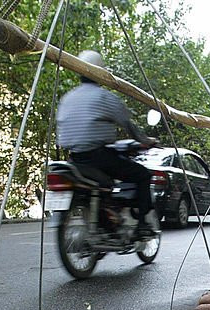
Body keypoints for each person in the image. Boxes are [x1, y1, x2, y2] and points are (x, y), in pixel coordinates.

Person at [56, 50, 158, 236]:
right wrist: (146, 140)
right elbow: (128, 125)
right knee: (142, 174)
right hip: (98, 157)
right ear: (100, 73)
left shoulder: (67, 98)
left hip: (74, 159)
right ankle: (142, 224)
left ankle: (107, 217)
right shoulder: (105, 97)